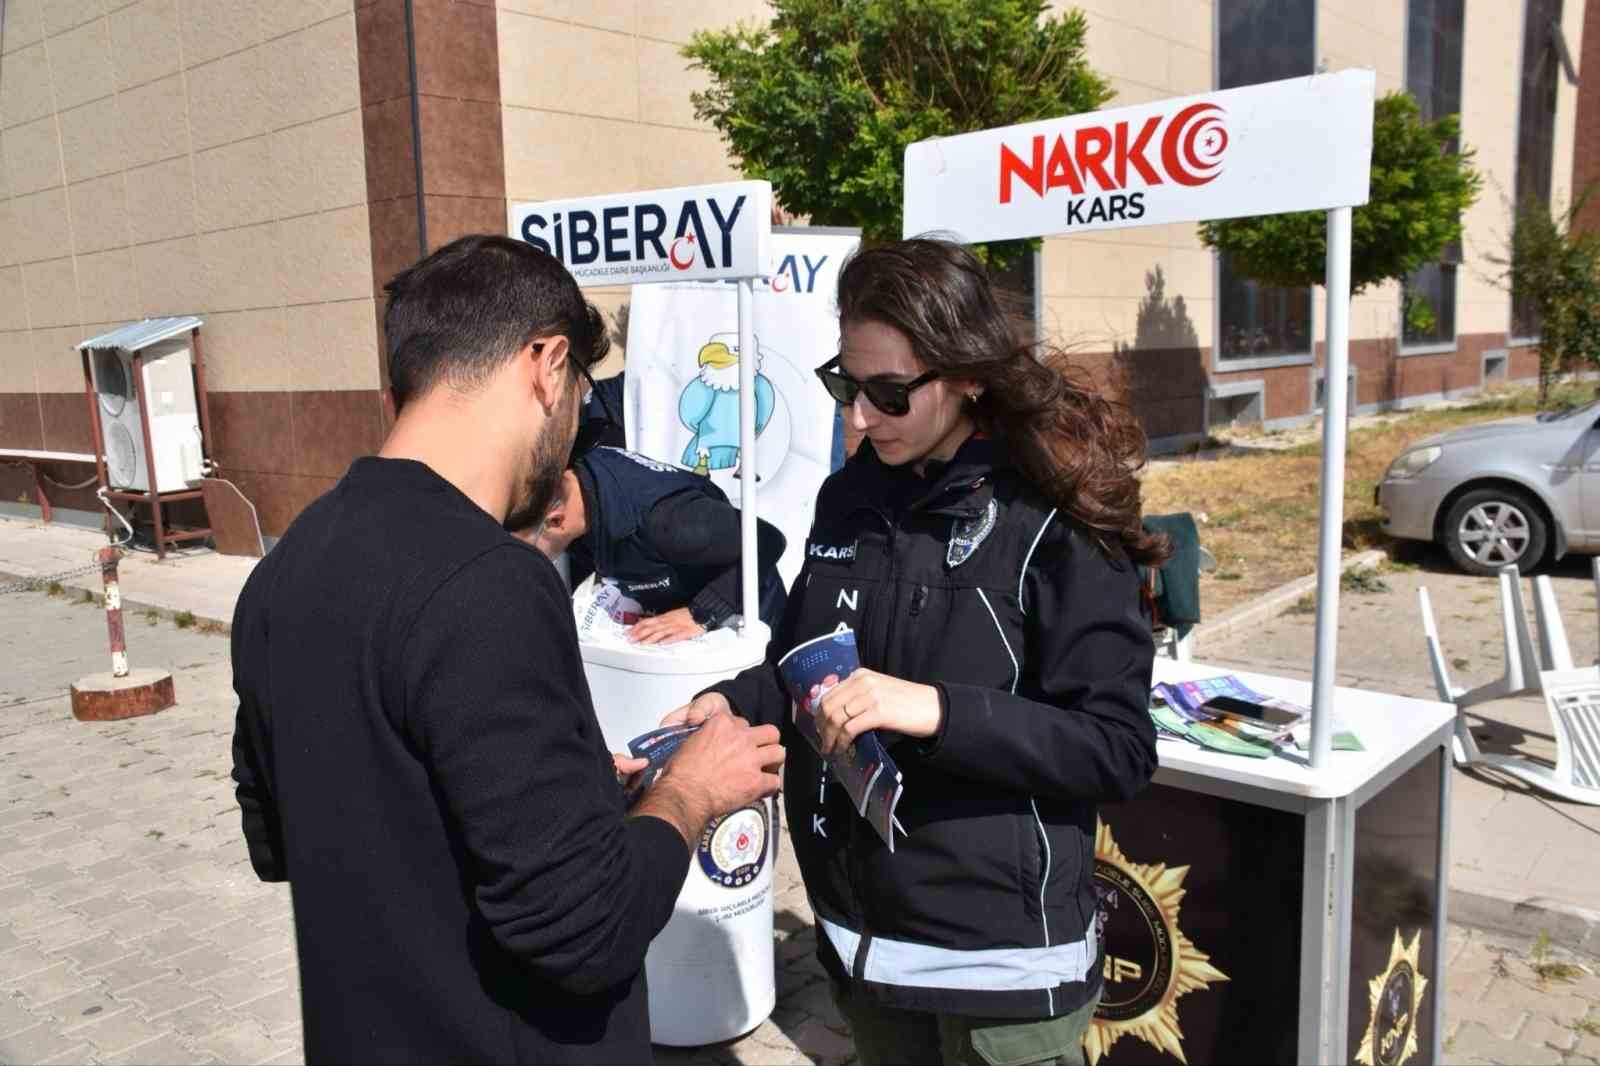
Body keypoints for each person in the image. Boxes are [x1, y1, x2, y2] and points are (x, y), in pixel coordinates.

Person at [229, 235, 784, 1064]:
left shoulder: (287, 566)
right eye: (577, 400)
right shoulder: (489, 581)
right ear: (546, 364)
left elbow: (290, 834)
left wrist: (573, 788)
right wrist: (691, 794)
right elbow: (586, 930)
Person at [666, 238, 1168, 1066]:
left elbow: (1116, 749)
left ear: (969, 374)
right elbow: (804, 660)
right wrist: (729, 702)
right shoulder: (850, 495)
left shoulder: (1052, 513)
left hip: (1001, 975)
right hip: (864, 947)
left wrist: (935, 710)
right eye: (844, 386)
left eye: (890, 394)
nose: (858, 419)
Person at [526, 445, 788, 645]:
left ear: (556, 521)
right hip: (675, 598)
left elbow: (766, 539)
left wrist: (701, 613)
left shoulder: (670, 522)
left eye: (525, 548)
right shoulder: (584, 488)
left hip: (749, 615)